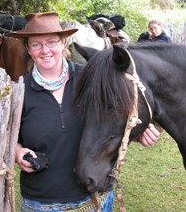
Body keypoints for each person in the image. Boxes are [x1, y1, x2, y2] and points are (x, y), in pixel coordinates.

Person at [9, 12, 160, 212]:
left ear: (63, 42)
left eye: (51, 42)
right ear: (28, 49)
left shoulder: (91, 78)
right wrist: (18, 152)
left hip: (95, 198)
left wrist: (139, 130)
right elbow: (8, 137)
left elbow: (119, 113)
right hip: (42, 203)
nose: (45, 50)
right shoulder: (18, 91)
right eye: (36, 44)